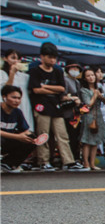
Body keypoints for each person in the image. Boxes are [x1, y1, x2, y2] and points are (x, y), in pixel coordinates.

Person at [28, 42, 83, 171]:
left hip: (56, 107)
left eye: (54, 57)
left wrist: (45, 87)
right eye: (49, 57)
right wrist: (53, 89)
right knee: (43, 134)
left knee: (62, 134)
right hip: (41, 106)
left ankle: (68, 161)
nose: (52, 60)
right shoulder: (35, 71)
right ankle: (43, 161)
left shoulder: (58, 71)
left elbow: (61, 88)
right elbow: (36, 90)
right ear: (42, 57)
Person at [0, 84, 40, 172]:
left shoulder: (17, 112)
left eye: (19, 98)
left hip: (8, 141)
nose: (17, 101)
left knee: (31, 138)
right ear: (4, 97)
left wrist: (34, 139)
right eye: (13, 98)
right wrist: (18, 137)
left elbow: (25, 130)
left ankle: (7, 164)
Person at [79, 67, 105, 171]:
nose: (91, 77)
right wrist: (95, 95)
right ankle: (86, 163)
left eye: (92, 75)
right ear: (85, 78)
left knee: (96, 140)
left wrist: (101, 96)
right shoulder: (84, 90)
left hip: (98, 115)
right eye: (88, 76)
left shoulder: (99, 87)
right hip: (88, 115)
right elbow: (88, 104)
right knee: (87, 141)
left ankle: (92, 163)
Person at [0, 49, 33, 128]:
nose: (16, 61)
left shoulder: (24, 76)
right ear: (5, 59)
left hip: (23, 104)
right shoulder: (2, 73)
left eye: (18, 59)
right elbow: (6, 89)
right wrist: (12, 73)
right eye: (13, 58)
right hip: (7, 103)